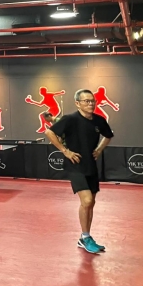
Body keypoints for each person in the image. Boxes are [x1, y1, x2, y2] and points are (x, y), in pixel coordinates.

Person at [45, 89, 113, 254]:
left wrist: (99, 149)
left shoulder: (99, 120)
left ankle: (86, 238)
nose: (90, 104)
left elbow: (108, 135)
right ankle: (85, 236)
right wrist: (65, 151)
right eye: (86, 101)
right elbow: (49, 132)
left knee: (91, 204)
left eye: (92, 101)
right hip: (75, 165)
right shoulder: (70, 119)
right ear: (78, 103)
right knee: (87, 201)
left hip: (91, 165)